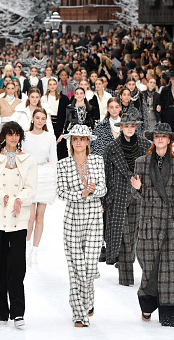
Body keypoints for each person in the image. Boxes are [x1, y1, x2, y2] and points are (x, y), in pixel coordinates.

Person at [0, 122, 37, 327]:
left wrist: (20, 199)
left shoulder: (28, 160)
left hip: (18, 219)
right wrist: (1, 197)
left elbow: (31, 188)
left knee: (16, 266)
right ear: (3, 136)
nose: (13, 138)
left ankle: (18, 312)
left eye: (16, 134)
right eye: (9, 134)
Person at [130, 122, 174, 326]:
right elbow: (137, 194)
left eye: (164, 136)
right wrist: (137, 189)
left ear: (169, 139)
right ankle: (147, 304)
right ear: (153, 139)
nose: (160, 139)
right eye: (157, 136)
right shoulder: (141, 162)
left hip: (172, 222)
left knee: (172, 269)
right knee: (150, 266)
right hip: (150, 221)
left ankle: (169, 313)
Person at [57, 125, 106, 327]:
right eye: (75, 139)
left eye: (82, 139)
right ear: (71, 142)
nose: (78, 142)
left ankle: (87, 299)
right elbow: (60, 192)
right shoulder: (63, 164)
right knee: (76, 267)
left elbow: (103, 188)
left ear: (88, 142)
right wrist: (81, 194)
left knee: (89, 265)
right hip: (72, 219)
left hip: (94, 217)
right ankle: (79, 312)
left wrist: (93, 190)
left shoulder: (97, 160)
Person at [103, 112, 151, 286]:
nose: (129, 129)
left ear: (136, 127)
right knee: (123, 236)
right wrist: (105, 199)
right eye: (126, 126)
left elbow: (151, 172)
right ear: (121, 127)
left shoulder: (147, 146)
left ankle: (126, 270)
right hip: (118, 195)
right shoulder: (111, 148)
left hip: (140, 195)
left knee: (134, 235)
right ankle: (125, 280)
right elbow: (106, 175)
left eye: (132, 126)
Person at [22, 108, 57, 267]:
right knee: (29, 216)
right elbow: (19, 157)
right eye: (38, 118)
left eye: (43, 118)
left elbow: (54, 160)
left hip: (45, 175)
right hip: (29, 174)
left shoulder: (50, 137)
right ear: (32, 118)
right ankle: (26, 247)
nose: (40, 121)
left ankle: (35, 251)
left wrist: (55, 181)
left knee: (39, 217)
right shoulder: (25, 136)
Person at [60, 87, 98, 159]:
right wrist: (63, 133)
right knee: (72, 153)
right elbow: (67, 121)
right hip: (73, 132)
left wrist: (94, 133)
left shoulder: (90, 108)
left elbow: (93, 122)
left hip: (86, 133)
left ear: (84, 95)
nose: (79, 95)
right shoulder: (70, 108)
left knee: (86, 154)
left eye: (81, 93)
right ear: (75, 95)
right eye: (77, 94)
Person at [41, 78, 69, 144]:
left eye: (54, 84)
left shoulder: (62, 98)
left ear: (56, 85)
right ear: (48, 86)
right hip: (48, 123)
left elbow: (66, 113)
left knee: (60, 144)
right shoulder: (44, 98)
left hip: (60, 123)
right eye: (50, 84)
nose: (52, 86)